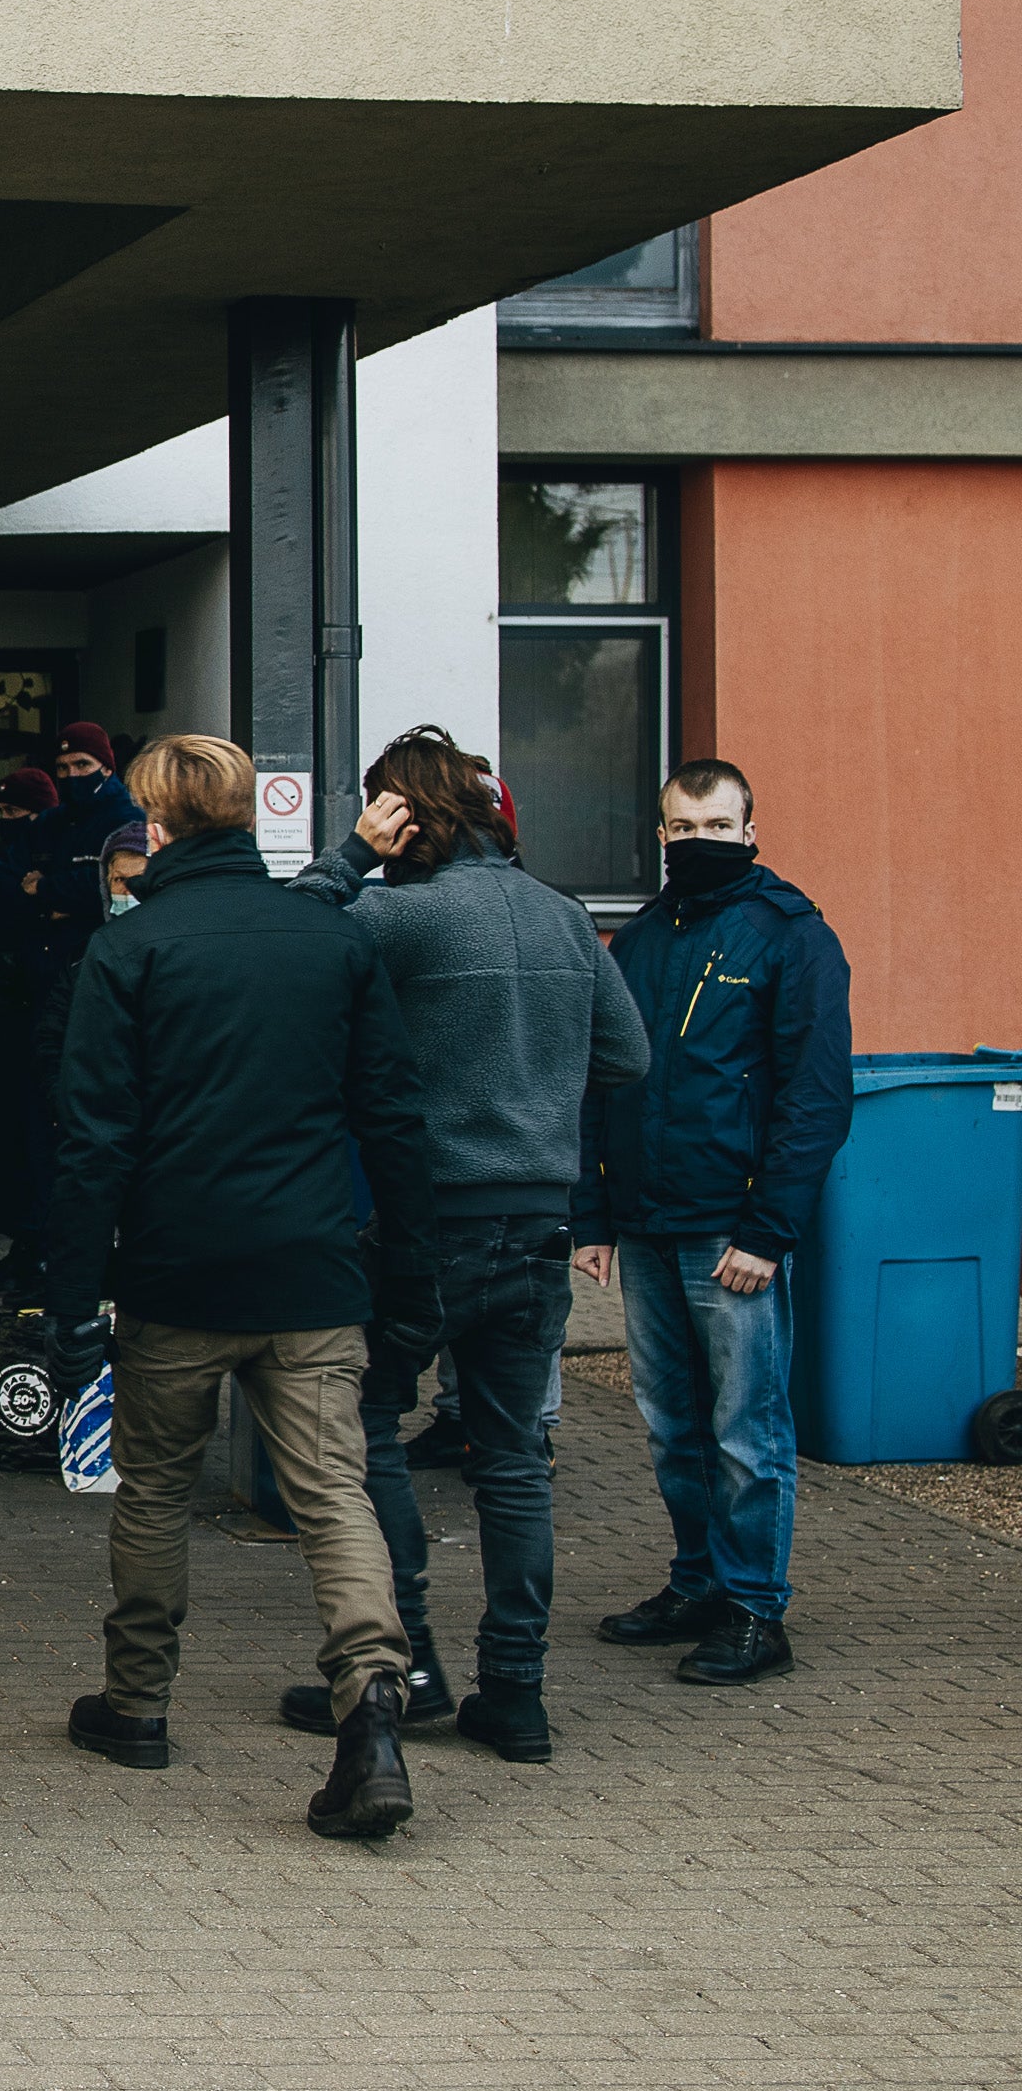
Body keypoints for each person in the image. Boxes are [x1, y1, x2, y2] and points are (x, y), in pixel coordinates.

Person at [43, 735, 439, 1841]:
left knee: (155, 1491)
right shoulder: (326, 940)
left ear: (155, 828)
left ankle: (136, 1705)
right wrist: (411, 1271)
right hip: (311, 1272)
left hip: (175, 1275)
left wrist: (72, 1303)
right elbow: (392, 1120)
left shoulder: (130, 952)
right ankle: (372, 1699)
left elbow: (90, 1147)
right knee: (333, 1497)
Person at [262, 728, 647, 1763]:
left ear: (404, 815)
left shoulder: (394, 915)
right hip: (538, 1220)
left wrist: (348, 855)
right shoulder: (565, 917)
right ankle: (514, 1693)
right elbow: (627, 1056)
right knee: (514, 1458)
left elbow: (282, 954)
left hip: (426, 1219)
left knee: (374, 1428)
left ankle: (410, 1665)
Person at [579, 758, 853, 1689]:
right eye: (680, 827)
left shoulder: (791, 936)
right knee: (672, 1424)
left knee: (747, 1428)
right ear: (661, 834)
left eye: (714, 824)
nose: (696, 840)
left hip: (732, 1231)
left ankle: (752, 1608)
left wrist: (768, 1230)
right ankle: (697, 1582)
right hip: (647, 1223)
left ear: (749, 827)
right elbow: (602, 1078)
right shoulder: (643, 937)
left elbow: (814, 1100)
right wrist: (594, 1214)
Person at [0, 766, 59, 1290]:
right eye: (2, 812)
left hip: (40, 1011)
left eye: (17, 812)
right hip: (4, 1011)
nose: (9, 821)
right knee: (9, 1132)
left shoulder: (52, 856)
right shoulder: (2, 863)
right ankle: (25, 1243)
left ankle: (41, 1247)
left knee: (36, 1132)